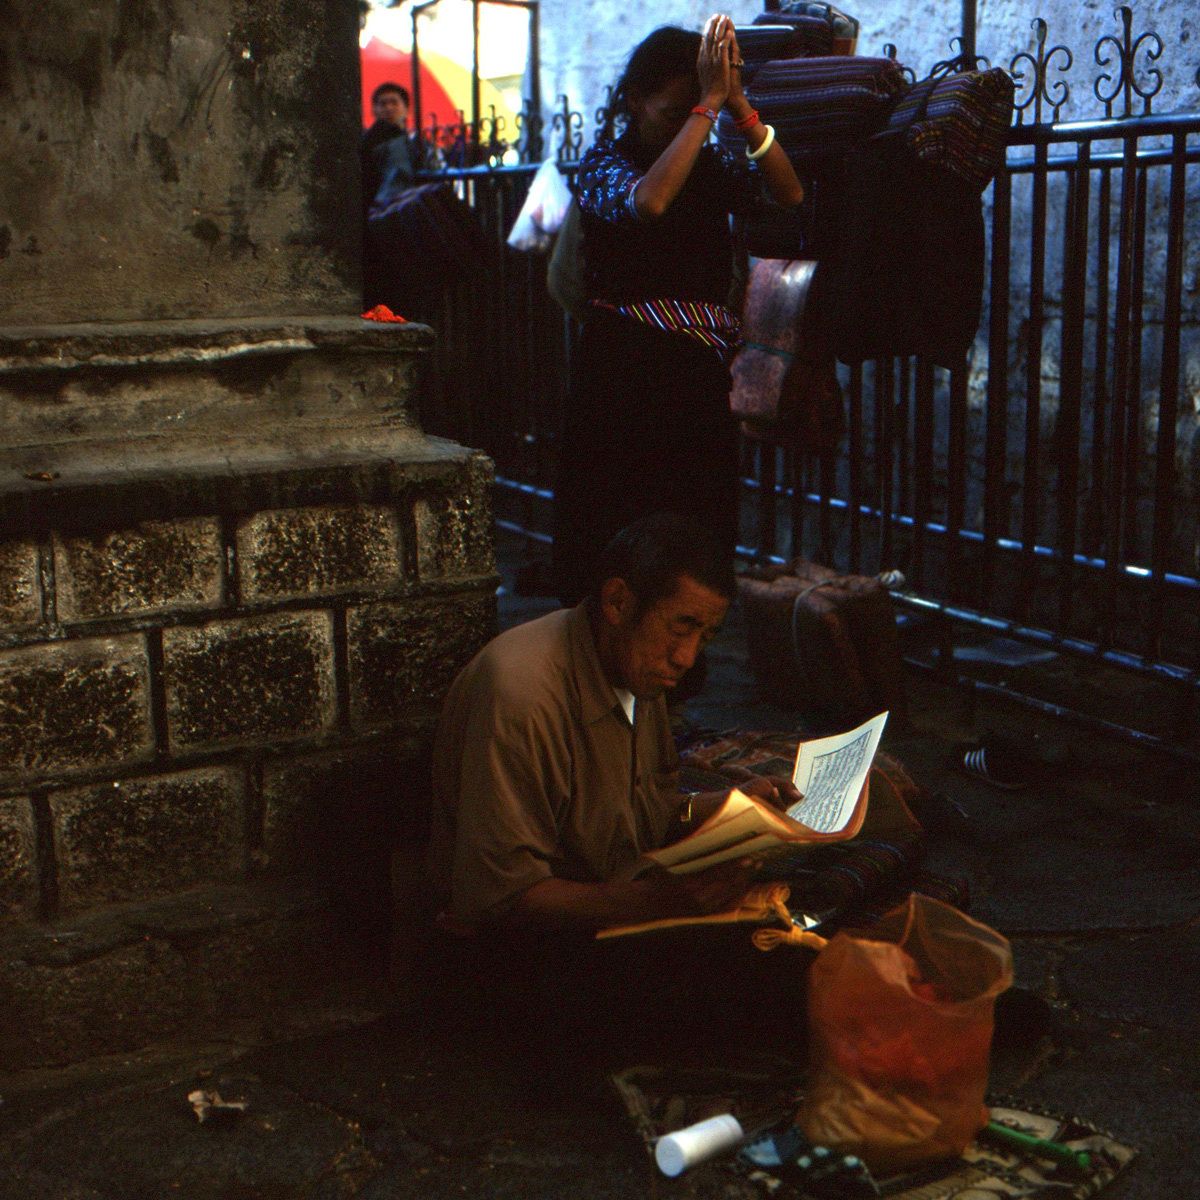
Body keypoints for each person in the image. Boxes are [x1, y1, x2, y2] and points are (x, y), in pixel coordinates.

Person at [422, 513, 808, 1066]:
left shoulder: (636, 669)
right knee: (752, 986)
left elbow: (631, 812)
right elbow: (502, 900)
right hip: (518, 947)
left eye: (706, 635)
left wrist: (724, 809)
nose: (688, 658)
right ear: (619, 602)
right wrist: (663, 902)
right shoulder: (523, 695)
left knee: (803, 921)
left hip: (613, 891)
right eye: (680, 627)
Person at [551, 16, 805, 607]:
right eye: (673, 112)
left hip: (694, 379)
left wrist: (737, 106)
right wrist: (707, 106)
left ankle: (676, 675)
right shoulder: (603, 167)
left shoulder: (710, 170)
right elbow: (652, 202)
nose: (688, 125)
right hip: (623, 379)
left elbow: (788, 193)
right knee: (620, 530)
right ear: (635, 100)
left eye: (696, 112)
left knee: (693, 533)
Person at [360, 81, 425, 214]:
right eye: (383, 104)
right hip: (389, 207)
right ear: (374, 110)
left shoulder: (407, 139)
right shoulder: (375, 139)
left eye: (394, 102)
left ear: (406, 109)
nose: (389, 108)